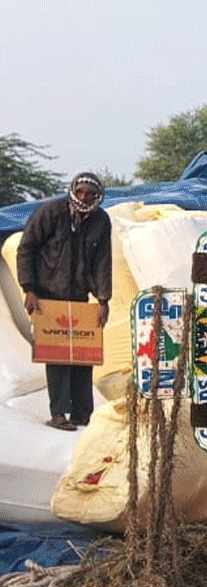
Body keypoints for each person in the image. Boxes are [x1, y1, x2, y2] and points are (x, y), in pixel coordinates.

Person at [17, 172, 112, 431]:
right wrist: (29, 289)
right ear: (72, 191)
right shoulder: (50, 212)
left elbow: (103, 260)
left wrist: (103, 300)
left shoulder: (101, 220)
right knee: (57, 356)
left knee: (83, 355)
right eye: (80, 192)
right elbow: (26, 248)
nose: (84, 198)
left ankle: (82, 414)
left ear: (97, 197)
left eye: (90, 194)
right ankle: (58, 413)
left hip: (79, 296)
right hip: (48, 295)